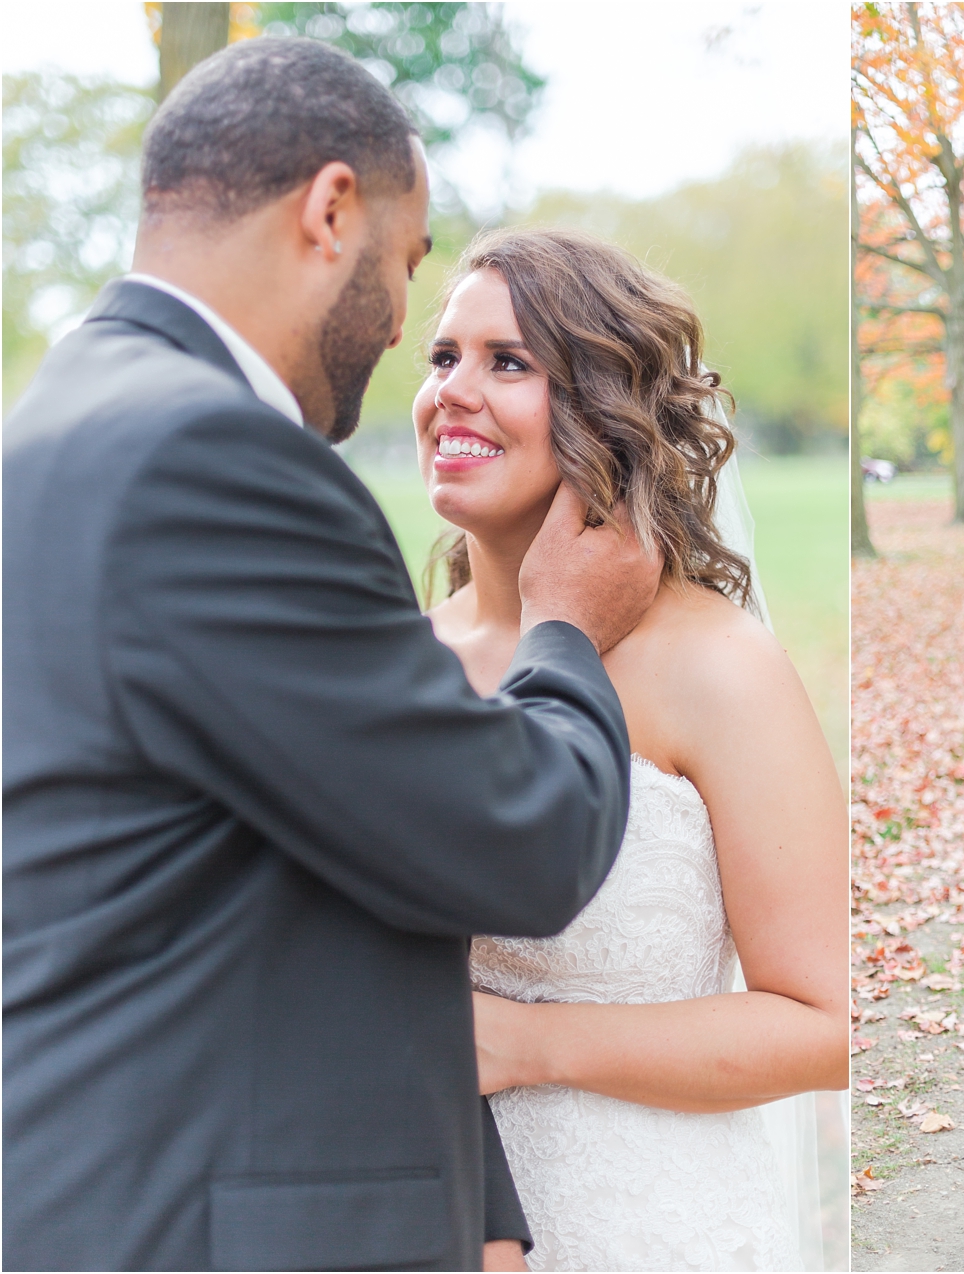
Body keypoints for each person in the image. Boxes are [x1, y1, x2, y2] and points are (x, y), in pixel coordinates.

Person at [3, 41, 657, 1271]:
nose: (404, 324)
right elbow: (519, 837)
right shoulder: (216, 460)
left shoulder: (52, 425)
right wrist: (565, 629)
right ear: (331, 210)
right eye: (409, 266)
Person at [413, 229, 847, 1271]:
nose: (453, 392)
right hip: (433, 1217)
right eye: (442, 357)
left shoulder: (715, 665)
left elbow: (824, 1022)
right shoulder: (398, 662)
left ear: (601, 406)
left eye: (507, 362)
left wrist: (528, 1044)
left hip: (652, 1219)